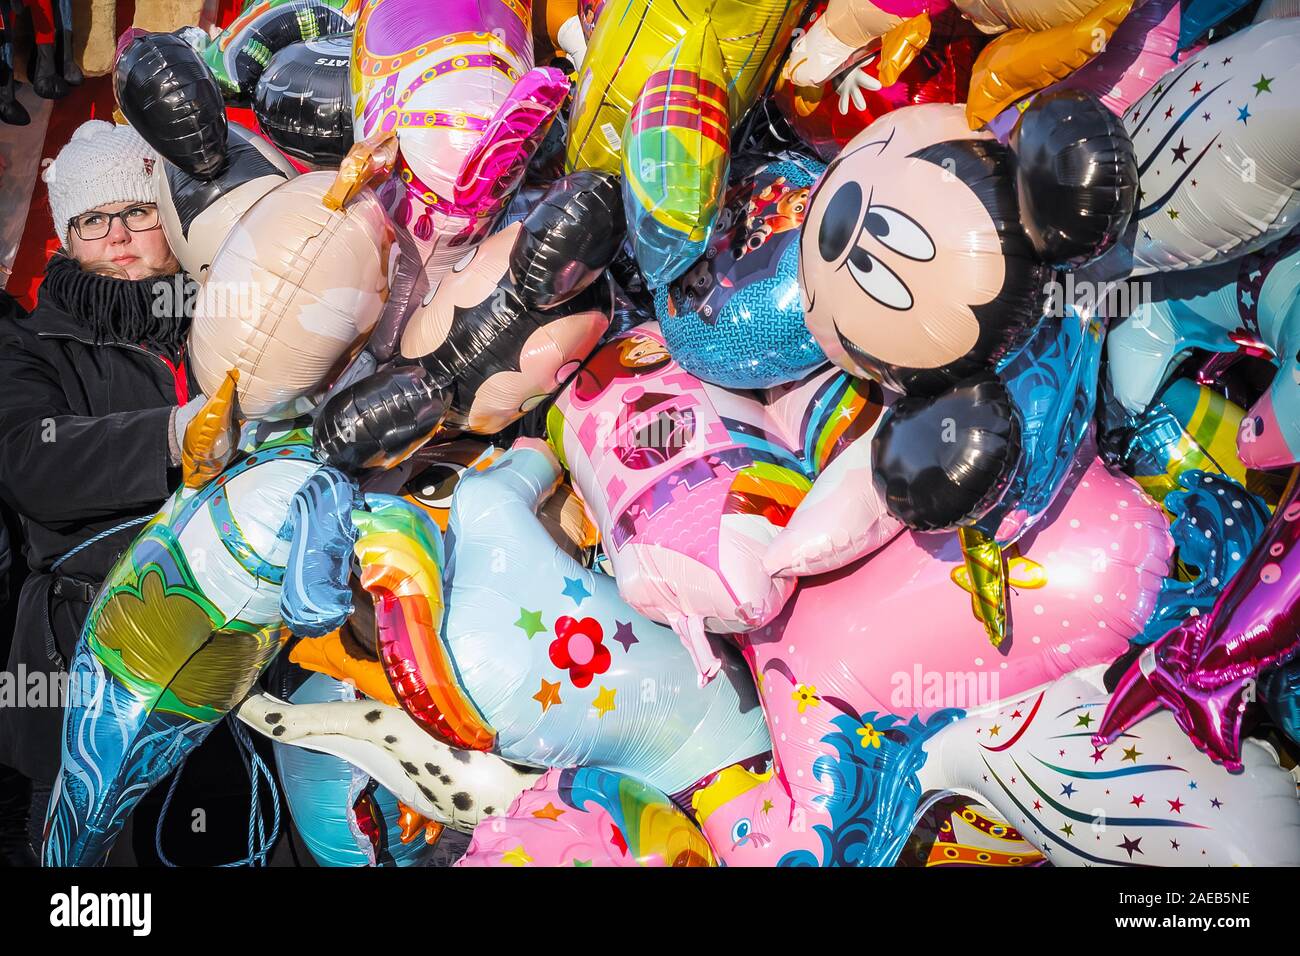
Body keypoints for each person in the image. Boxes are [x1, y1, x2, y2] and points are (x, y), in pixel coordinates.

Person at [0, 119, 209, 863]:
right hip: (87, 662)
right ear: (68, 236)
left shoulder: (223, 318)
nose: (118, 236)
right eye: (93, 219)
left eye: (138, 211)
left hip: (231, 657)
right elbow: (29, 461)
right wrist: (170, 437)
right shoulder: (30, 343)